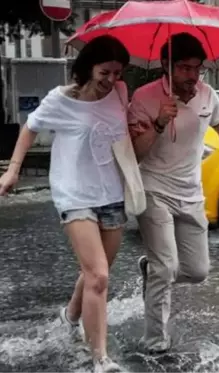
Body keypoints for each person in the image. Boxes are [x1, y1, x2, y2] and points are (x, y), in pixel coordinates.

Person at [0, 35, 131, 373]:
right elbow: (30, 128)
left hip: (112, 194)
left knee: (94, 272)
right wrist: (13, 170)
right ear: (88, 67)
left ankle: (70, 316)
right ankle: (100, 358)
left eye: (117, 73)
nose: (111, 81)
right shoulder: (61, 99)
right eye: (105, 72)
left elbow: (118, 132)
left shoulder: (120, 93)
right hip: (74, 195)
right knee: (99, 276)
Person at [128, 32, 219, 354]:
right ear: (167, 68)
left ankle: (150, 270)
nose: (192, 76)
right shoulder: (144, 97)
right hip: (153, 190)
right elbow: (134, 154)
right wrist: (158, 123)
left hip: (191, 194)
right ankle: (156, 345)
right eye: (184, 68)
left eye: (197, 68)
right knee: (166, 268)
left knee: (196, 272)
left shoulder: (208, 96)